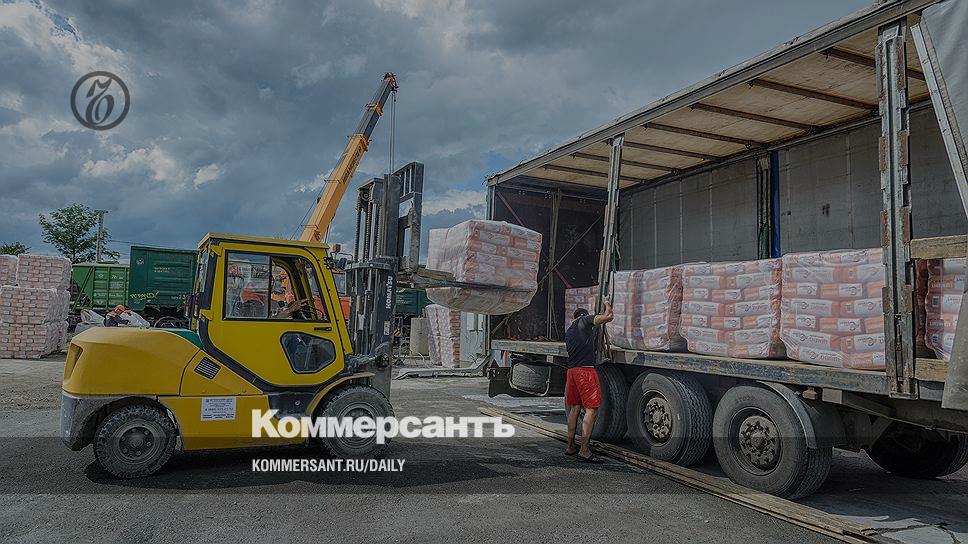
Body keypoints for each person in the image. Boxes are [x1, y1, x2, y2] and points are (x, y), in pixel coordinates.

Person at [564, 301, 614, 463]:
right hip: (585, 372)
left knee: (574, 408)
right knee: (591, 409)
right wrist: (607, 304)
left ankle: (570, 446)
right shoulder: (584, 321)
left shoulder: (569, 331)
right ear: (584, 316)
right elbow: (608, 317)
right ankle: (584, 450)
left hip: (572, 371)